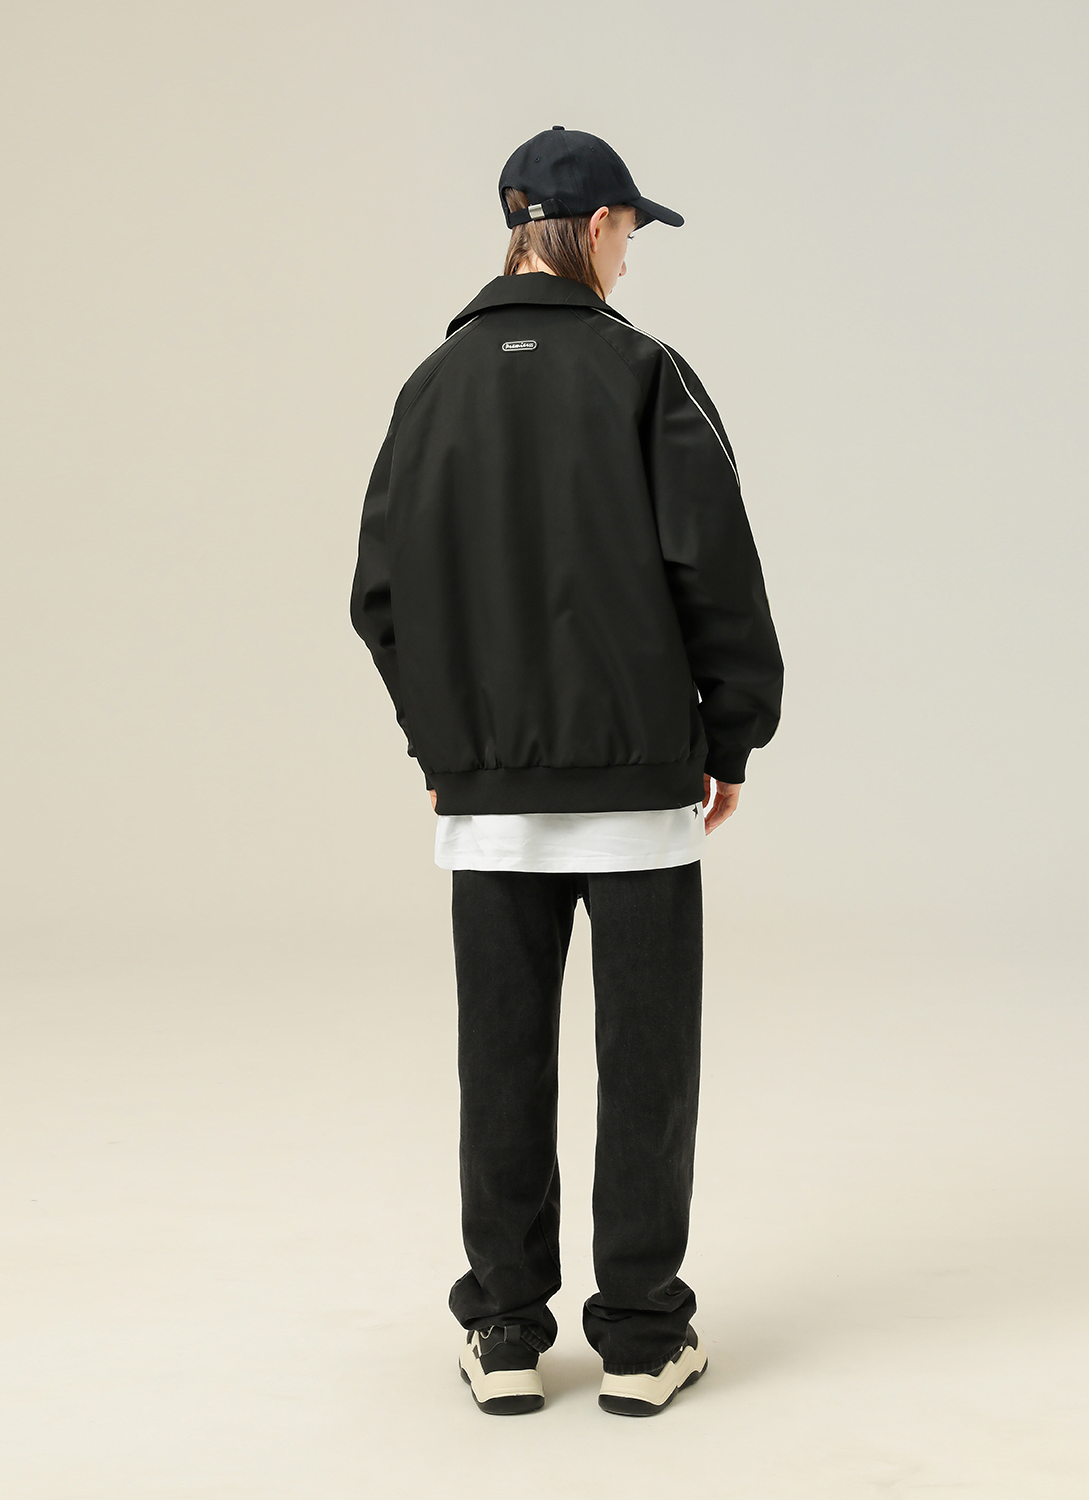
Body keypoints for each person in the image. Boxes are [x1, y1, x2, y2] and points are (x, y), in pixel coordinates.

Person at [349, 126, 783, 1417]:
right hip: (640, 792)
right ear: (594, 229)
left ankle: (504, 1331)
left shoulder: (431, 387)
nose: (631, 257)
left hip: (487, 803)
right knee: (646, 1069)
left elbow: (380, 596)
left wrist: (445, 747)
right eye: (631, 234)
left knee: (502, 1062)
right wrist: (730, 738)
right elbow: (718, 572)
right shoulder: (644, 373)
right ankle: (642, 1338)